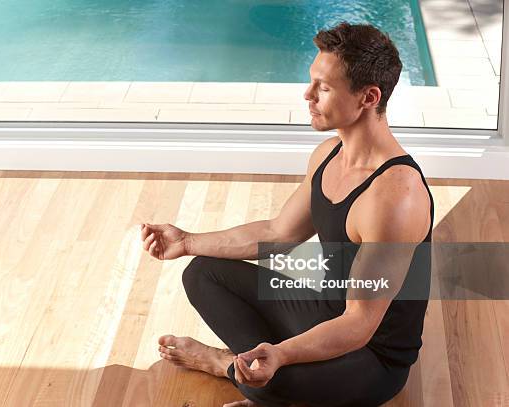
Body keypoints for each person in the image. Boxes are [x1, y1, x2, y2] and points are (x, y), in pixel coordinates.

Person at [140, 21, 434, 407]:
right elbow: (279, 233)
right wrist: (188, 241)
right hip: (326, 311)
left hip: (372, 355)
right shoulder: (329, 154)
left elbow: (360, 323)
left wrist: (283, 354)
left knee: (274, 384)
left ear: (368, 97)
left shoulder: (396, 197)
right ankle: (252, 374)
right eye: (312, 82)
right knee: (202, 272)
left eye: (323, 88)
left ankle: (224, 366)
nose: (308, 95)